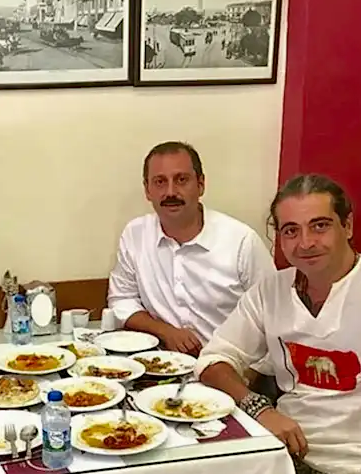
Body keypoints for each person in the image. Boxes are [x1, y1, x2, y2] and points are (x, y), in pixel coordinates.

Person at [193, 174, 361, 474]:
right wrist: (260, 408)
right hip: (281, 456)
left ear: (347, 225)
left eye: (319, 226)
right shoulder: (270, 292)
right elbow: (214, 360)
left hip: (359, 468)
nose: (305, 243)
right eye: (291, 230)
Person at [107, 141, 275, 360]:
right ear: (147, 190)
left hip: (232, 365)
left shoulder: (241, 241)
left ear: (201, 184)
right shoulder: (135, 234)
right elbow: (121, 301)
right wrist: (165, 331)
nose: (170, 192)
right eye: (160, 182)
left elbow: (273, 315)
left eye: (181, 180)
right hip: (160, 364)